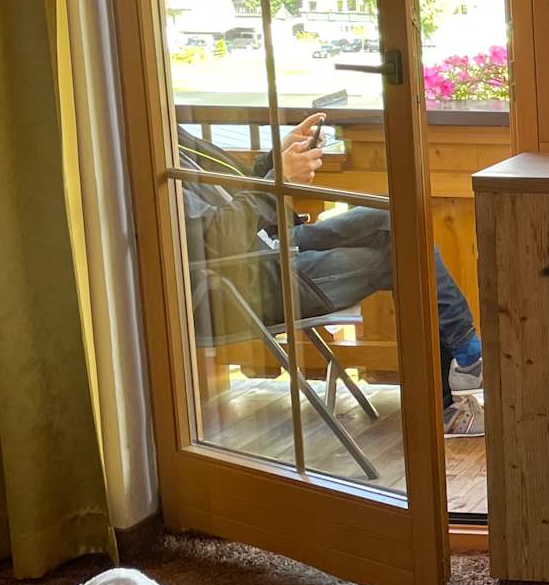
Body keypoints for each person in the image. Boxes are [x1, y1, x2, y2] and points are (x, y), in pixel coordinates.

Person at [178, 113, 485, 437]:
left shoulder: (172, 136)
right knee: (402, 256)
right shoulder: (151, 166)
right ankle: (459, 377)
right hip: (252, 278)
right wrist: (277, 178)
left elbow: (230, 191)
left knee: (396, 218)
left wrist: (276, 159)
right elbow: (216, 240)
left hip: (269, 245)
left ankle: (465, 357)